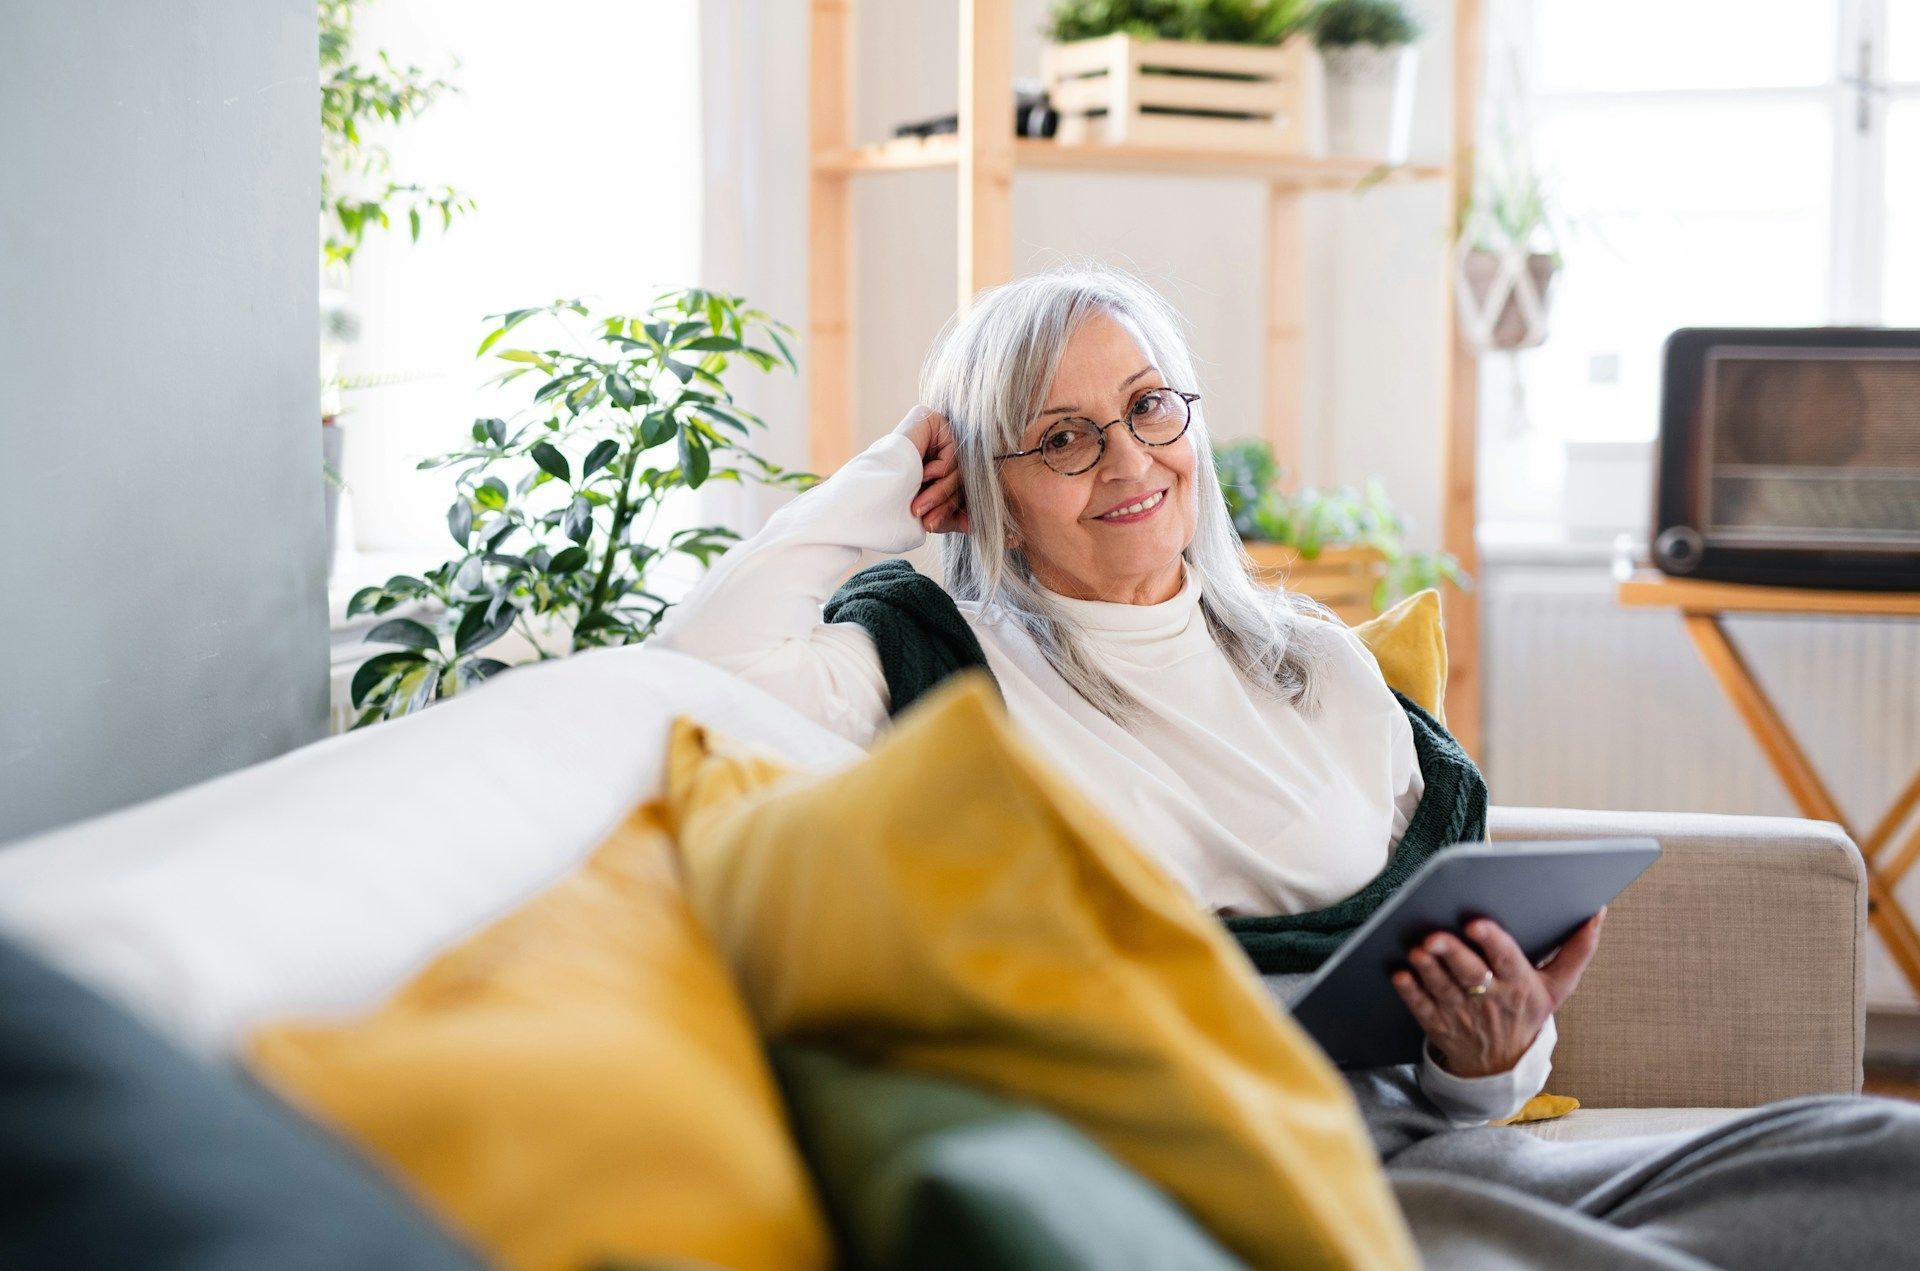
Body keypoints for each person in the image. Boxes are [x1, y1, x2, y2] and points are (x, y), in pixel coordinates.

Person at [656, 265, 1920, 1266]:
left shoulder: (1313, 660)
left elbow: (1451, 1050)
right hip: (1206, 1167)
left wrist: (1491, 1058)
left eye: (1153, 406)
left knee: (1881, 1157)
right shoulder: (933, 661)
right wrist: (894, 474)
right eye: (1062, 437)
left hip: (1420, 1143)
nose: (1133, 461)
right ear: (985, 484)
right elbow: (702, 662)